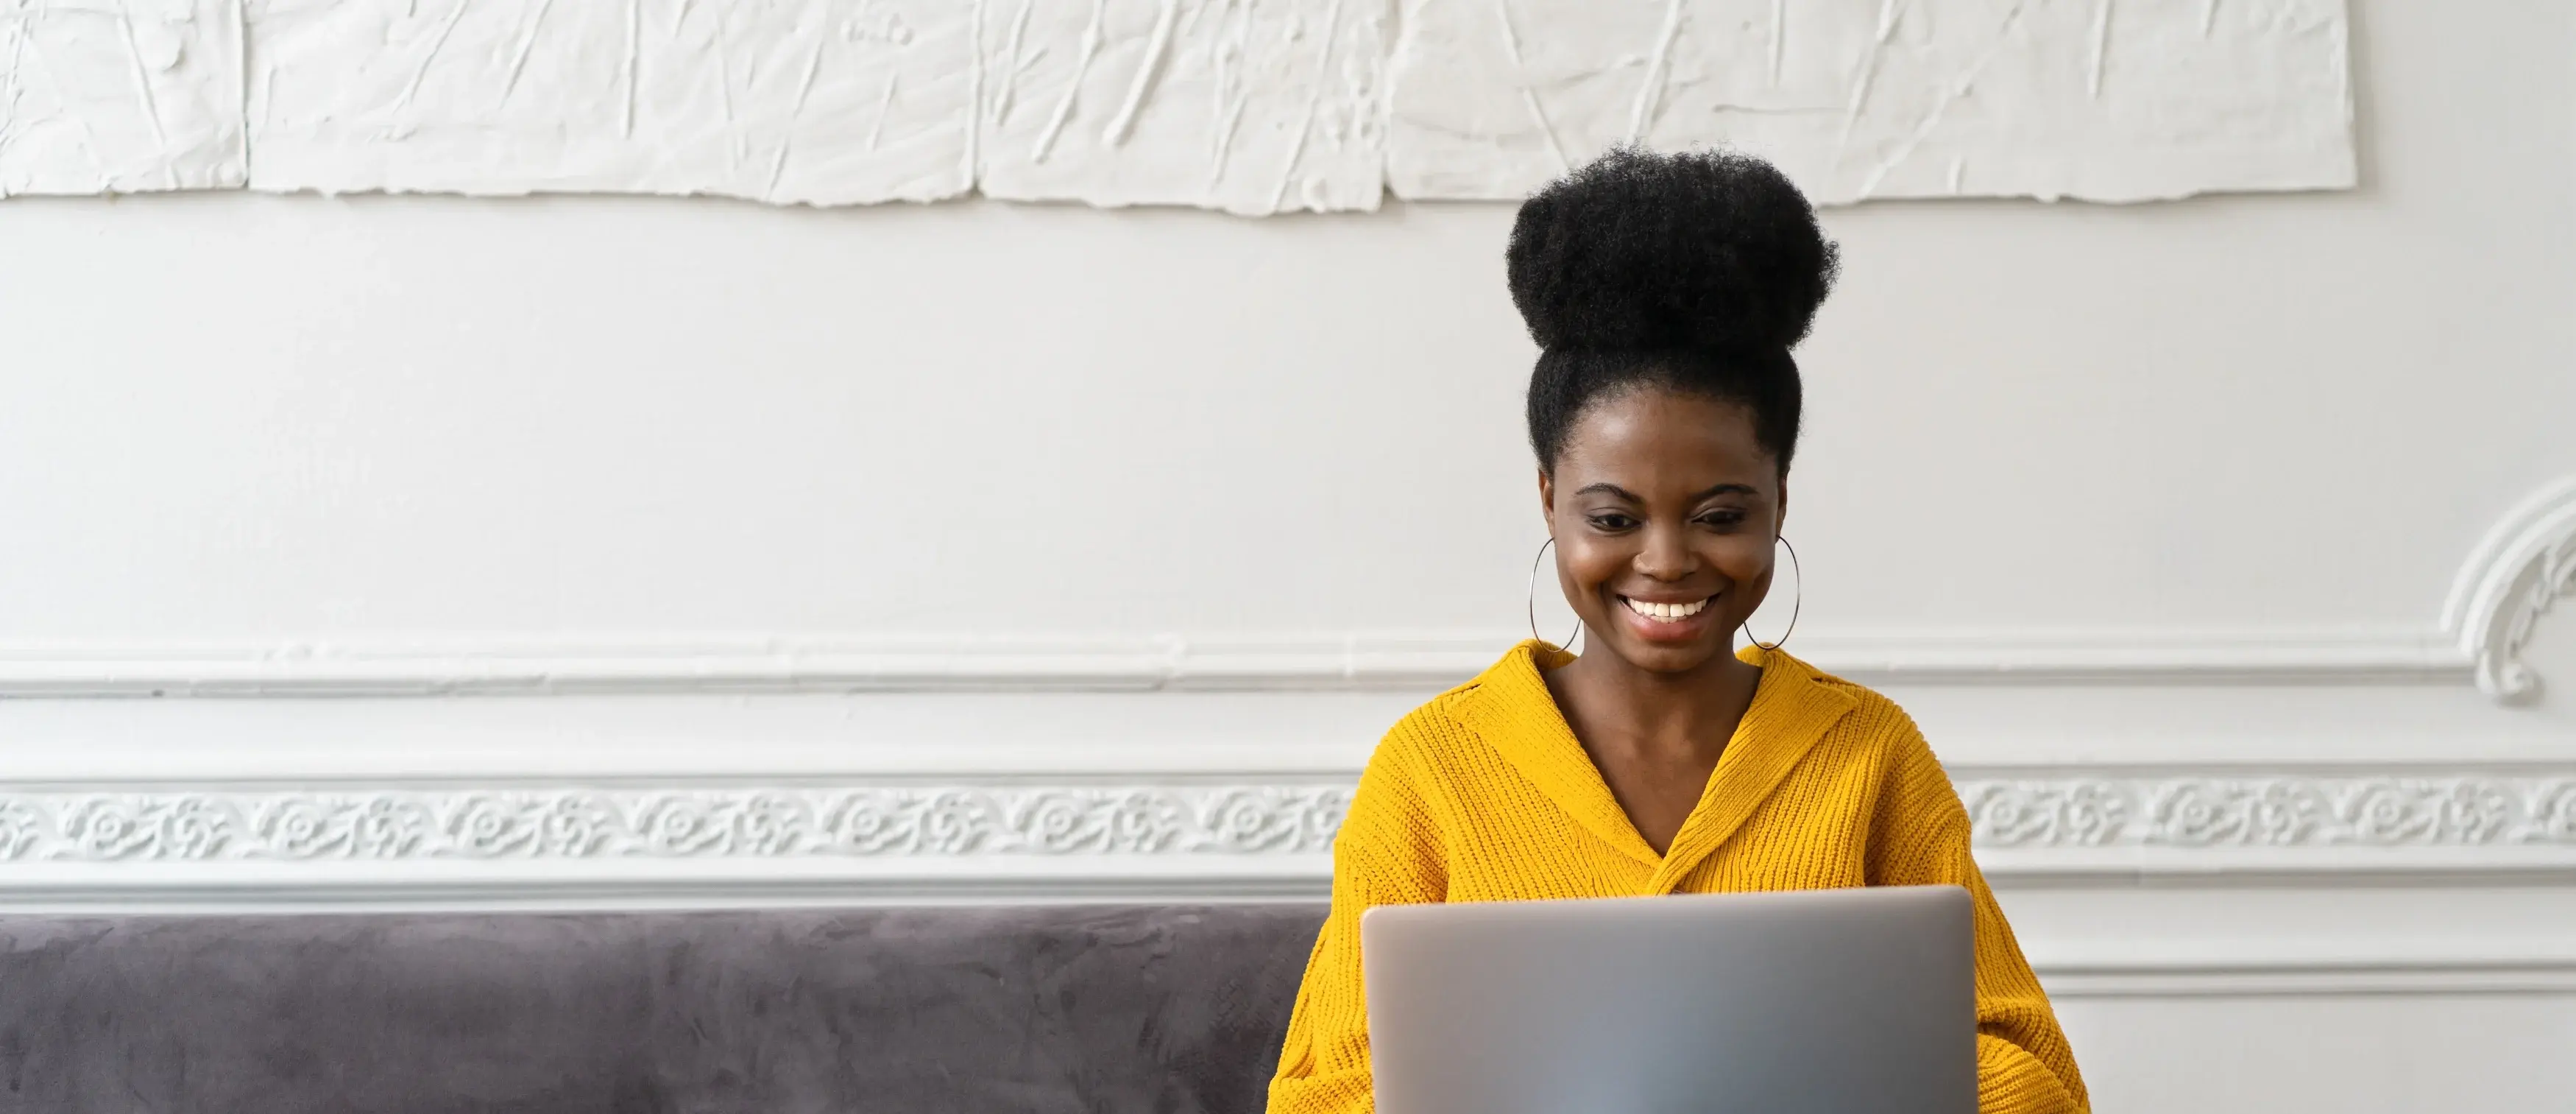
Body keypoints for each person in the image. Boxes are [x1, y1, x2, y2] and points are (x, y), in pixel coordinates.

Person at [1263, 147, 2090, 1114]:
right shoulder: (1432, 772)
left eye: (1721, 515)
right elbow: (1322, 1093)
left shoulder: (1869, 757)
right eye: (1613, 519)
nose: (1665, 562)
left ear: (1779, 501)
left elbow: (2033, 1079)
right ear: (1549, 502)